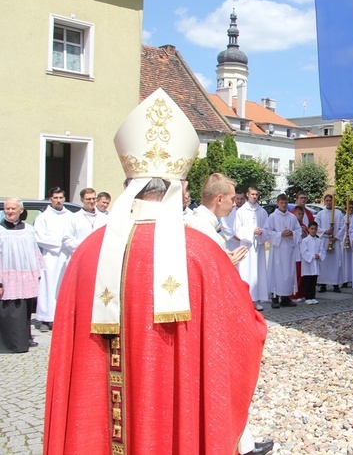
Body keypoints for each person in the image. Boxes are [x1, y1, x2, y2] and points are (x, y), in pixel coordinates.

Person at [44, 88, 269, 455]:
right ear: (178, 189)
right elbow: (248, 330)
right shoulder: (200, 252)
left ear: (129, 187)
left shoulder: (87, 251)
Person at [0, 198, 44, 353]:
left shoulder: (29, 229)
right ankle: (7, 344)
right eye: (7, 209)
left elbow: (34, 253)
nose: (10, 211)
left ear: (21, 210)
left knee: (24, 309)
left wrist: (37, 273)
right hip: (6, 276)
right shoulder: (1, 230)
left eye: (13, 208)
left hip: (25, 276)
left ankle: (23, 341)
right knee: (8, 310)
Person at [185, 173, 248, 266]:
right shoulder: (205, 230)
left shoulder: (196, 220)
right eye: (232, 199)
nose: (234, 204)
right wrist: (228, 263)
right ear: (219, 199)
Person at [34, 187, 73, 332]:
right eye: (56, 198)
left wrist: (68, 245)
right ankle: (45, 318)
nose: (59, 200)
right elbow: (39, 237)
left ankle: (60, 317)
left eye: (61, 197)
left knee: (62, 287)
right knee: (48, 287)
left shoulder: (70, 216)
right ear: (50, 199)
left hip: (66, 256)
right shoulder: (43, 217)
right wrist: (59, 244)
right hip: (50, 256)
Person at [234, 187, 270, 312]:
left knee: (257, 272)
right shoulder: (241, 211)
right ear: (247, 194)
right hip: (246, 246)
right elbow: (237, 230)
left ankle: (256, 300)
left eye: (256, 194)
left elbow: (268, 228)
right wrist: (251, 231)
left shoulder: (262, 211)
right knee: (246, 272)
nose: (254, 196)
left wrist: (262, 232)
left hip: (258, 247)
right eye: (252, 194)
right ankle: (245, 300)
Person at [266, 194, 301, 308]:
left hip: (289, 250)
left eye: (285, 202)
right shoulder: (272, 217)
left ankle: (286, 298)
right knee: (277, 273)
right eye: (281, 202)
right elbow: (268, 232)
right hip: (278, 249)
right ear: (277, 203)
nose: (284, 205)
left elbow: (299, 230)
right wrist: (280, 234)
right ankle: (275, 298)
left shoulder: (292, 217)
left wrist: (292, 233)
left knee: (288, 273)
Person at [314, 194, 345, 292]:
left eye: (330, 200)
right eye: (326, 200)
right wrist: (325, 231)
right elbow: (316, 227)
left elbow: (343, 227)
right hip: (324, 240)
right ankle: (323, 284)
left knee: (335, 263)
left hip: (335, 241)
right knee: (324, 263)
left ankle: (335, 284)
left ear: (333, 201)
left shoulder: (338, 213)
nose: (328, 202)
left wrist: (335, 238)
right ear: (324, 201)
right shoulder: (320, 214)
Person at [63, 188, 108, 254]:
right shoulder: (73, 218)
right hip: (81, 255)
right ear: (82, 200)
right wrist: (87, 244)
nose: (92, 201)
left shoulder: (104, 218)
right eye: (88, 199)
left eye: (93, 198)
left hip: (99, 255)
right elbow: (67, 240)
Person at [299, 221, 325, 305]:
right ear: (308, 229)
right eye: (312, 229)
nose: (313, 231)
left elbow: (322, 251)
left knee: (314, 281)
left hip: (315, 264)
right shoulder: (305, 241)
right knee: (307, 281)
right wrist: (312, 256)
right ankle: (307, 297)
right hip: (308, 264)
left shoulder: (319, 241)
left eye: (315, 229)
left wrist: (319, 255)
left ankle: (313, 296)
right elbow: (304, 252)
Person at [290, 205, 308, 301]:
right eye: (299, 214)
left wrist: (306, 234)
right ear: (294, 214)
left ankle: (301, 293)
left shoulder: (304, 226)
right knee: (295, 275)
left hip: (302, 254)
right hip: (295, 253)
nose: (300, 216)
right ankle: (293, 295)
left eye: (302, 214)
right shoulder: (292, 225)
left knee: (302, 275)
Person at [341, 200, 353, 289]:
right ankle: (345, 280)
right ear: (346, 209)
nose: (351, 209)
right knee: (345, 261)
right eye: (349, 208)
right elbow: (341, 229)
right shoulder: (343, 218)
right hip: (345, 240)